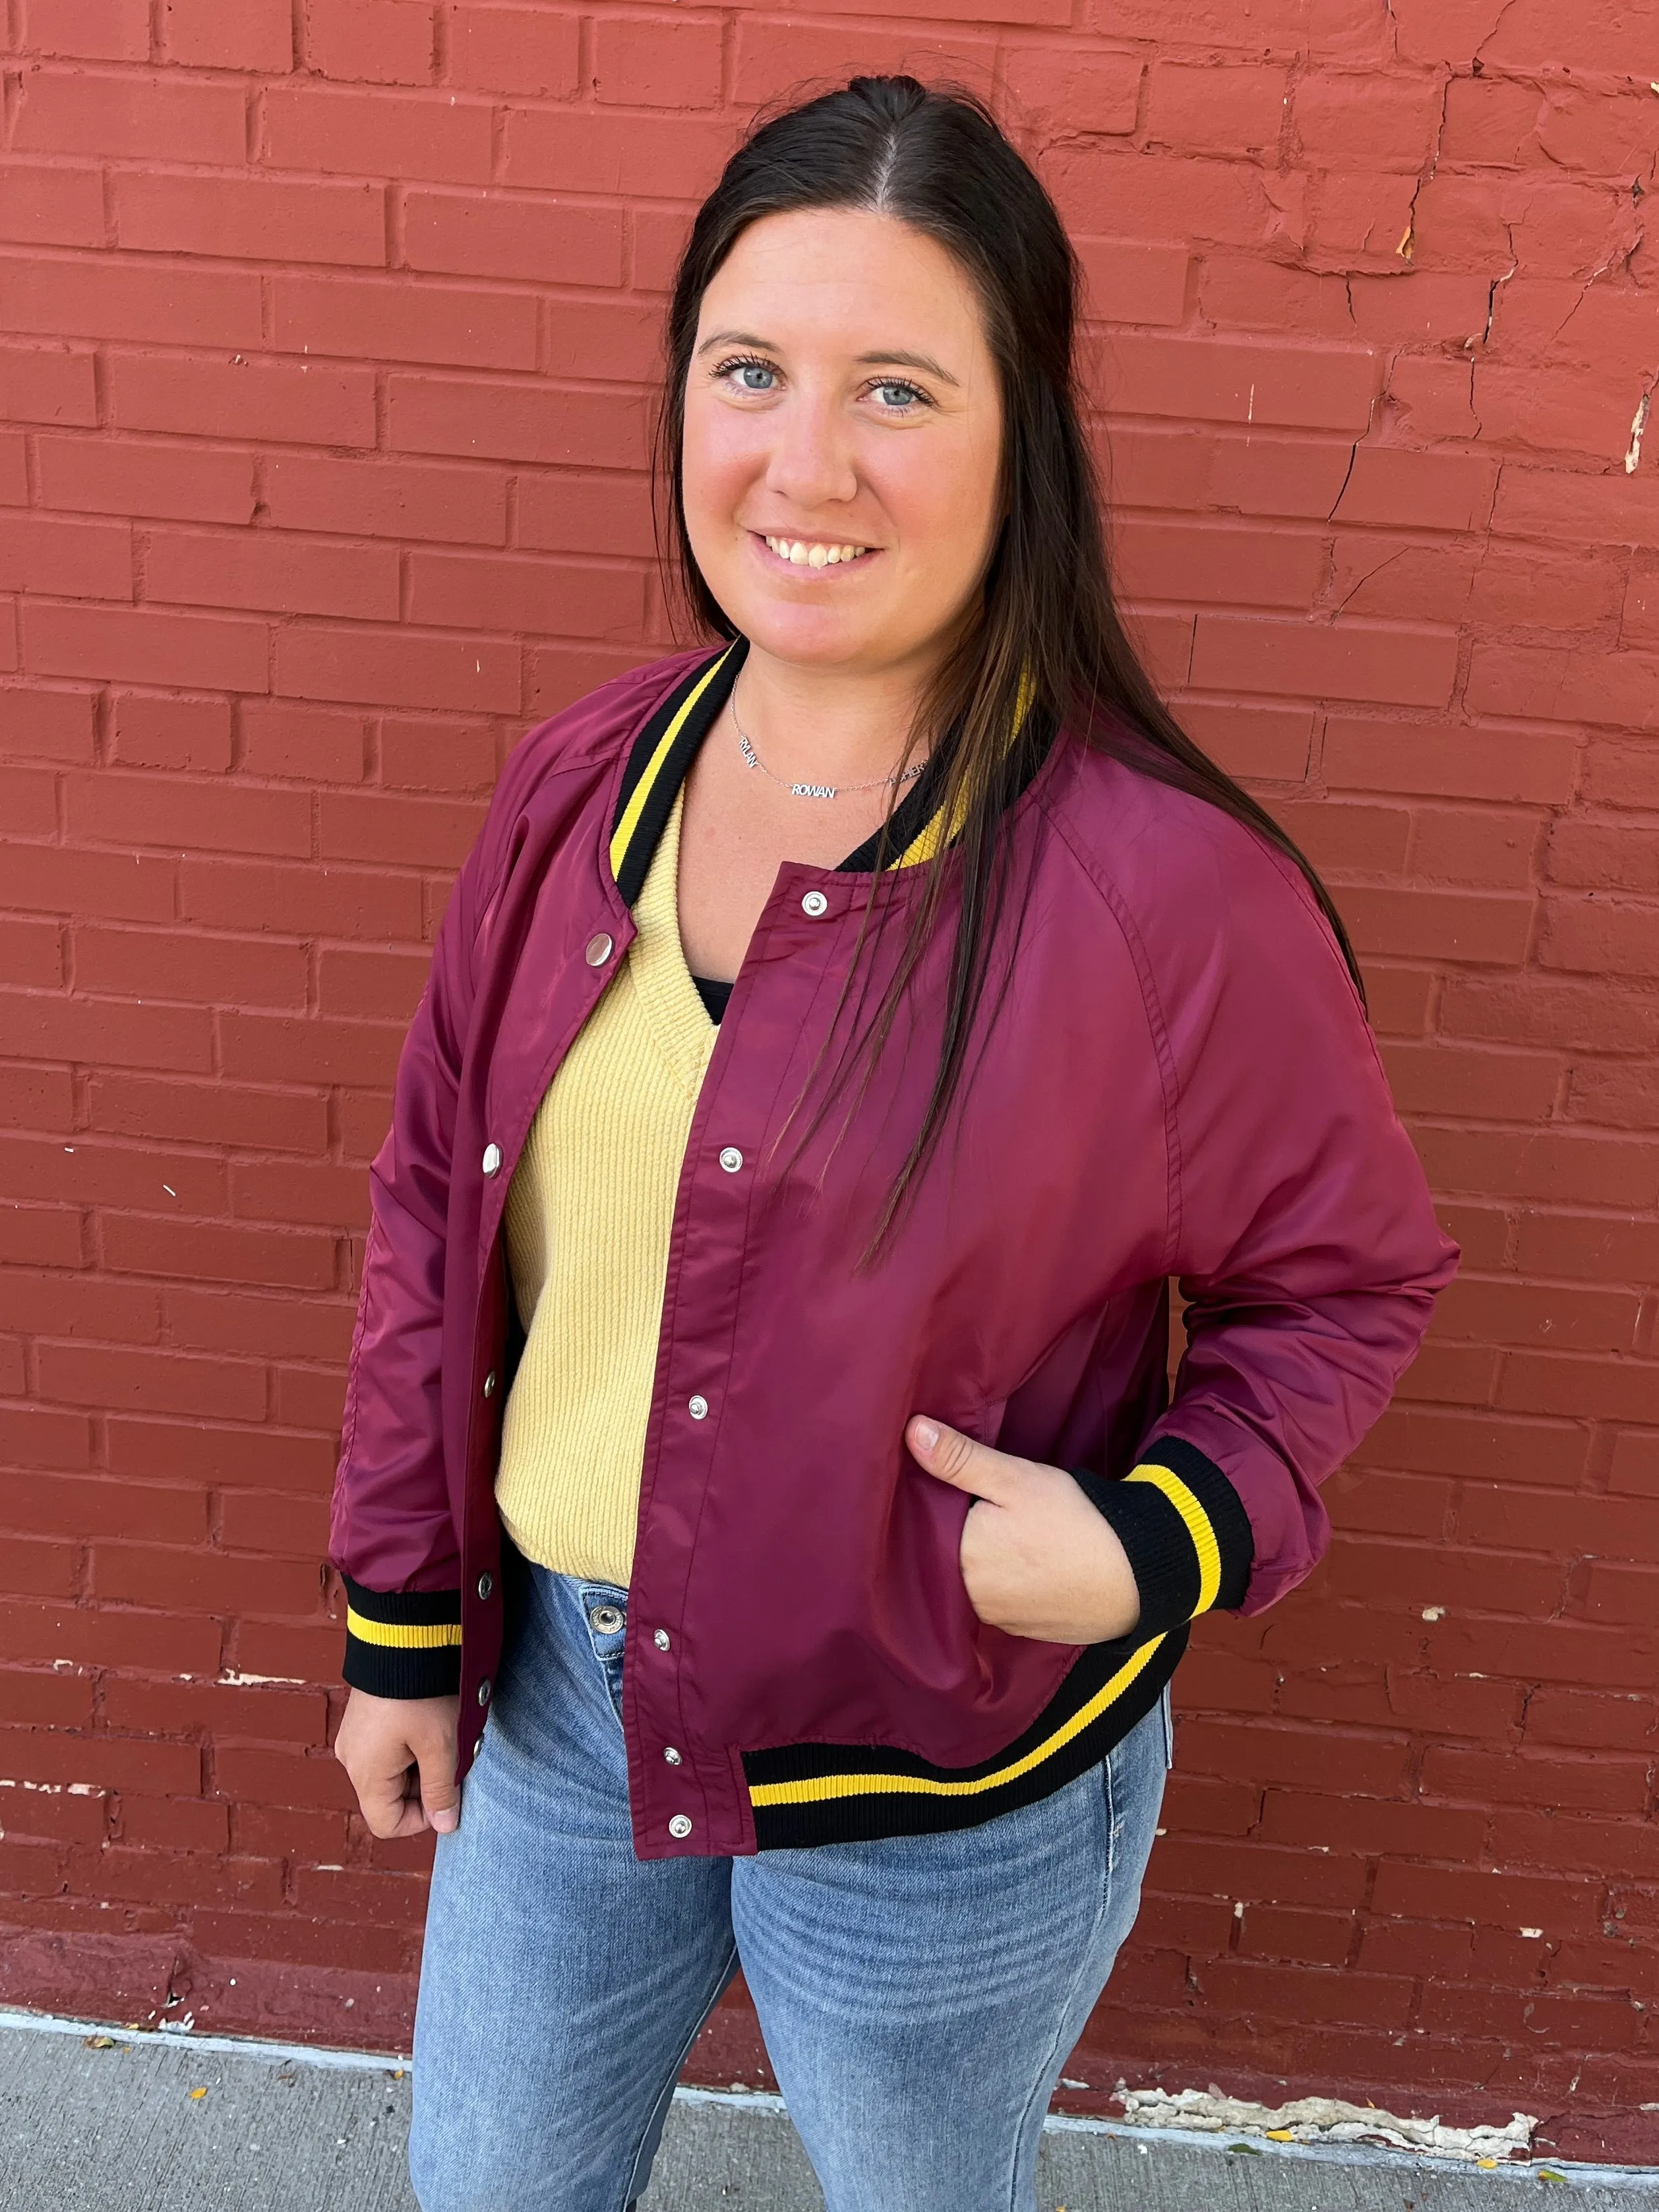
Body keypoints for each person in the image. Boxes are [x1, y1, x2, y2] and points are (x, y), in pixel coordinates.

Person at [328, 75, 1457, 2212]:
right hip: (561, 1702)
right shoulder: (582, 786)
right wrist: (403, 1616)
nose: (805, 461)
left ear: (1021, 433)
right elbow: (431, 1204)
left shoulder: (1161, 893)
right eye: (749, 371)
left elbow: (1346, 1281)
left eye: (900, 390)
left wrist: (1155, 1538)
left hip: (945, 1765)